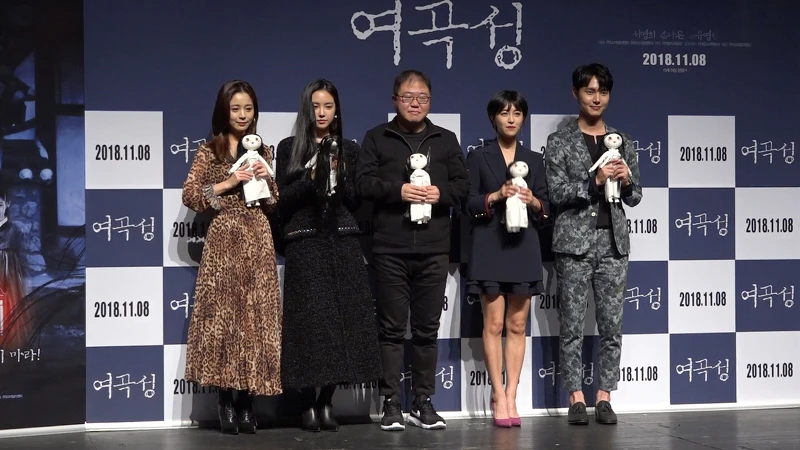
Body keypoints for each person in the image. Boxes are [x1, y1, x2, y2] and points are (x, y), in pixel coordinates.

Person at [355, 69, 469, 431]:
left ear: (430, 101)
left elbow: (463, 186)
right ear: (394, 100)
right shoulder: (377, 137)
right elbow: (362, 184)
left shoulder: (445, 139)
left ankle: (422, 401)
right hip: (390, 247)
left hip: (435, 249)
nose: (415, 103)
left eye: (422, 97)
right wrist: (398, 190)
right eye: (407, 97)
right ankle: (390, 402)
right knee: (390, 329)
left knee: (426, 330)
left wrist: (441, 194)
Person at [275, 79, 381, 432]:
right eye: (315, 106)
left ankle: (326, 401)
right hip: (305, 241)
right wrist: (311, 176)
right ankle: (307, 402)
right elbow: (281, 201)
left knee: (342, 323)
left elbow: (354, 200)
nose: (321, 113)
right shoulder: (288, 147)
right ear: (307, 109)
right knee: (308, 326)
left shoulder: (348, 148)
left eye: (328, 106)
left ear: (337, 112)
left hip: (342, 240)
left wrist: (338, 170)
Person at [182, 79, 282, 435]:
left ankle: (247, 402)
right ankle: (224, 399)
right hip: (224, 240)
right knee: (224, 320)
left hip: (258, 238)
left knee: (255, 321)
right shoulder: (209, 151)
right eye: (235, 108)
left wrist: (266, 180)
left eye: (248, 109)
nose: (242, 115)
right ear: (224, 111)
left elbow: (273, 204)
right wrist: (230, 180)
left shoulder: (264, 149)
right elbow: (191, 196)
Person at [543, 63, 642, 425]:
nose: (596, 98)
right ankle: (575, 397)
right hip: (574, 244)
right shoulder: (560, 141)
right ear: (576, 94)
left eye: (603, 91)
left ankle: (604, 396)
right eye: (589, 91)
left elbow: (636, 197)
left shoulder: (623, 141)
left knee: (611, 325)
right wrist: (593, 182)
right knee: (571, 325)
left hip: (613, 244)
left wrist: (627, 181)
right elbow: (555, 193)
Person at [464, 90, 550, 428]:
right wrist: (495, 195)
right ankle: (497, 394)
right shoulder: (478, 156)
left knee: (517, 325)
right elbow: (468, 203)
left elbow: (547, 207)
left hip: (524, 246)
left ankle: (512, 394)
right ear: (493, 118)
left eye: (516, 113)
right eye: (504, 113)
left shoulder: (535, 159)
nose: (511, 118)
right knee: (494, 324)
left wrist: (533, 202)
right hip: (489, 245)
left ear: (523, 119)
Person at [0, 186, 32, 350]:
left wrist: (25, 279)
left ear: (7, 205)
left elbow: (22, 256)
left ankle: (9, 344)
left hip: (8, 274)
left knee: (8, 307)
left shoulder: (15, 229)